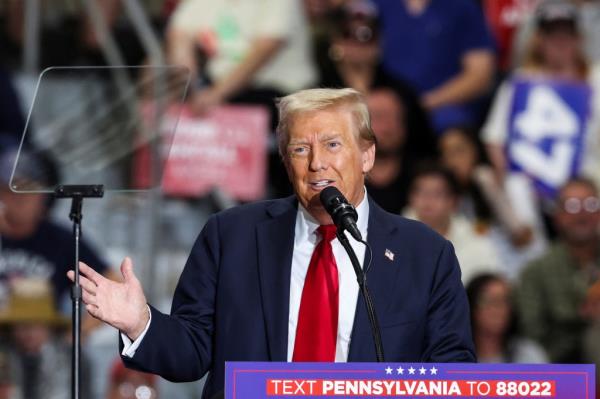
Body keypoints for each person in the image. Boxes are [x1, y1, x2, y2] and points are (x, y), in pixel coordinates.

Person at [68, 88, 475, 398]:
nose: (317, 163)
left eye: (333, 145)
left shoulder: (426, 254)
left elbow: (452, 373)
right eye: (300, 149)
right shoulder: (231, 236)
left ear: (366, 155)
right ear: (286, 160)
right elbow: (191, 352)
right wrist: (141, 324)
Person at [370, 0, 495, 132]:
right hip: (384, 105)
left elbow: (481, 76)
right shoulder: (375, 6)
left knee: (454, 134)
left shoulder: (462, 8)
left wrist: (425, 104)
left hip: (443, 109)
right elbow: (354, 57)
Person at [517, 177, 600, 363]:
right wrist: (581, 318)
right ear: (557, 216)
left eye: (591, 204)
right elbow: (531, 335)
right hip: (564, 371)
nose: (582, 214)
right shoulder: (536, 272)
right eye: (572, 206)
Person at [404, 163, 500, 285]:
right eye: (421, 192)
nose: (427, 200)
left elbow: (488, 284)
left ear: (453, 201)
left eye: (437, 194)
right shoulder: (392, 238)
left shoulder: (476, 240)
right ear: (410, 198)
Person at [466, 273, 548, 363]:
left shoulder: (529, 355)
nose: (498, 309)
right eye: (490, 301)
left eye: (505, 301)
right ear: (471, 306)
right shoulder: (455, 357)